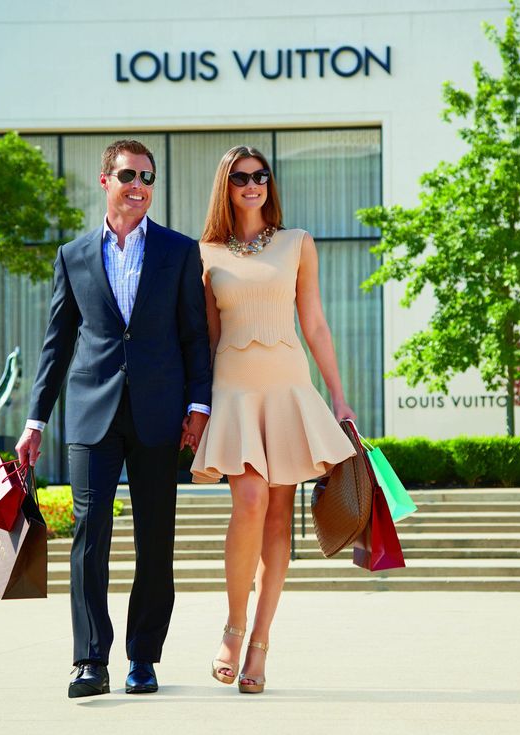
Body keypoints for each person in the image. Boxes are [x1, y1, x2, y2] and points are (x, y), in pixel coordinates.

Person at [16, 139, 212, 698]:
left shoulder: (179, 251)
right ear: (105, 180)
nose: (139, 185)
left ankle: (143, 658)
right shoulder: (73, 255)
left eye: (148, 177)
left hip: (159, 415)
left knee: (155, 540)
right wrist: (35, 421)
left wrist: (199, 408)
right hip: (90, 412)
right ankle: (89, 660)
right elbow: (57, 345)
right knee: (89, 534)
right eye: (129, 174)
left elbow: (195, 337)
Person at [188, 145, 356, 694]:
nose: (252, 185)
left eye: (261, 176)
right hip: (234, 390)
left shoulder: (297, 244)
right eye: (241, 178)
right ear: (226, 186)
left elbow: (316, 324)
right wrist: (199, 405)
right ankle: (233, 630)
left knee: (280, 520)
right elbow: (207, 338)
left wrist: (338, 396)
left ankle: (260, 646)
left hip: (288, 388)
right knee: (251, 501)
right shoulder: (206, 254)